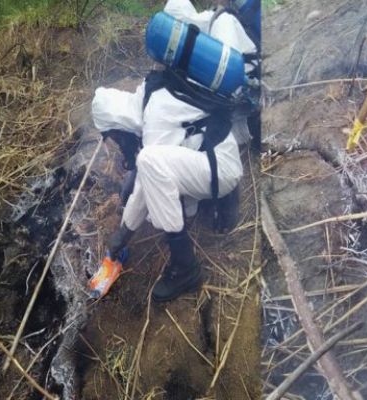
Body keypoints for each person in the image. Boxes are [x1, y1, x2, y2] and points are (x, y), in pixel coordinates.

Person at [91, 0, 257, 303]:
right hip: (218, 159)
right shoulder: (155, 89)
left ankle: (185, 267)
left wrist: (126, 232)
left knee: (150, 163)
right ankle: (218, 209)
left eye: (114, 135)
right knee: (151, 165)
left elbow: (148, 177)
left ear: (118, 126)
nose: (118, 141)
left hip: (222, 170)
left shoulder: (153, 113)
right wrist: (123, 234)